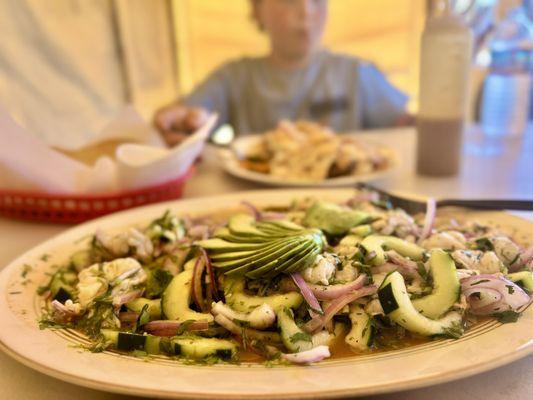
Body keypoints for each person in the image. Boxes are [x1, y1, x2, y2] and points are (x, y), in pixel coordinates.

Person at [155, 0, 413, 146]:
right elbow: (186, 115)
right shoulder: (235, 76)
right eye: (289, 1)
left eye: (318, 1)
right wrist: (177, 120)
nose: (306, 12)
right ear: (258, 11)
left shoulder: (356, 73)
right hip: (258, 202)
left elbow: (406, 127)